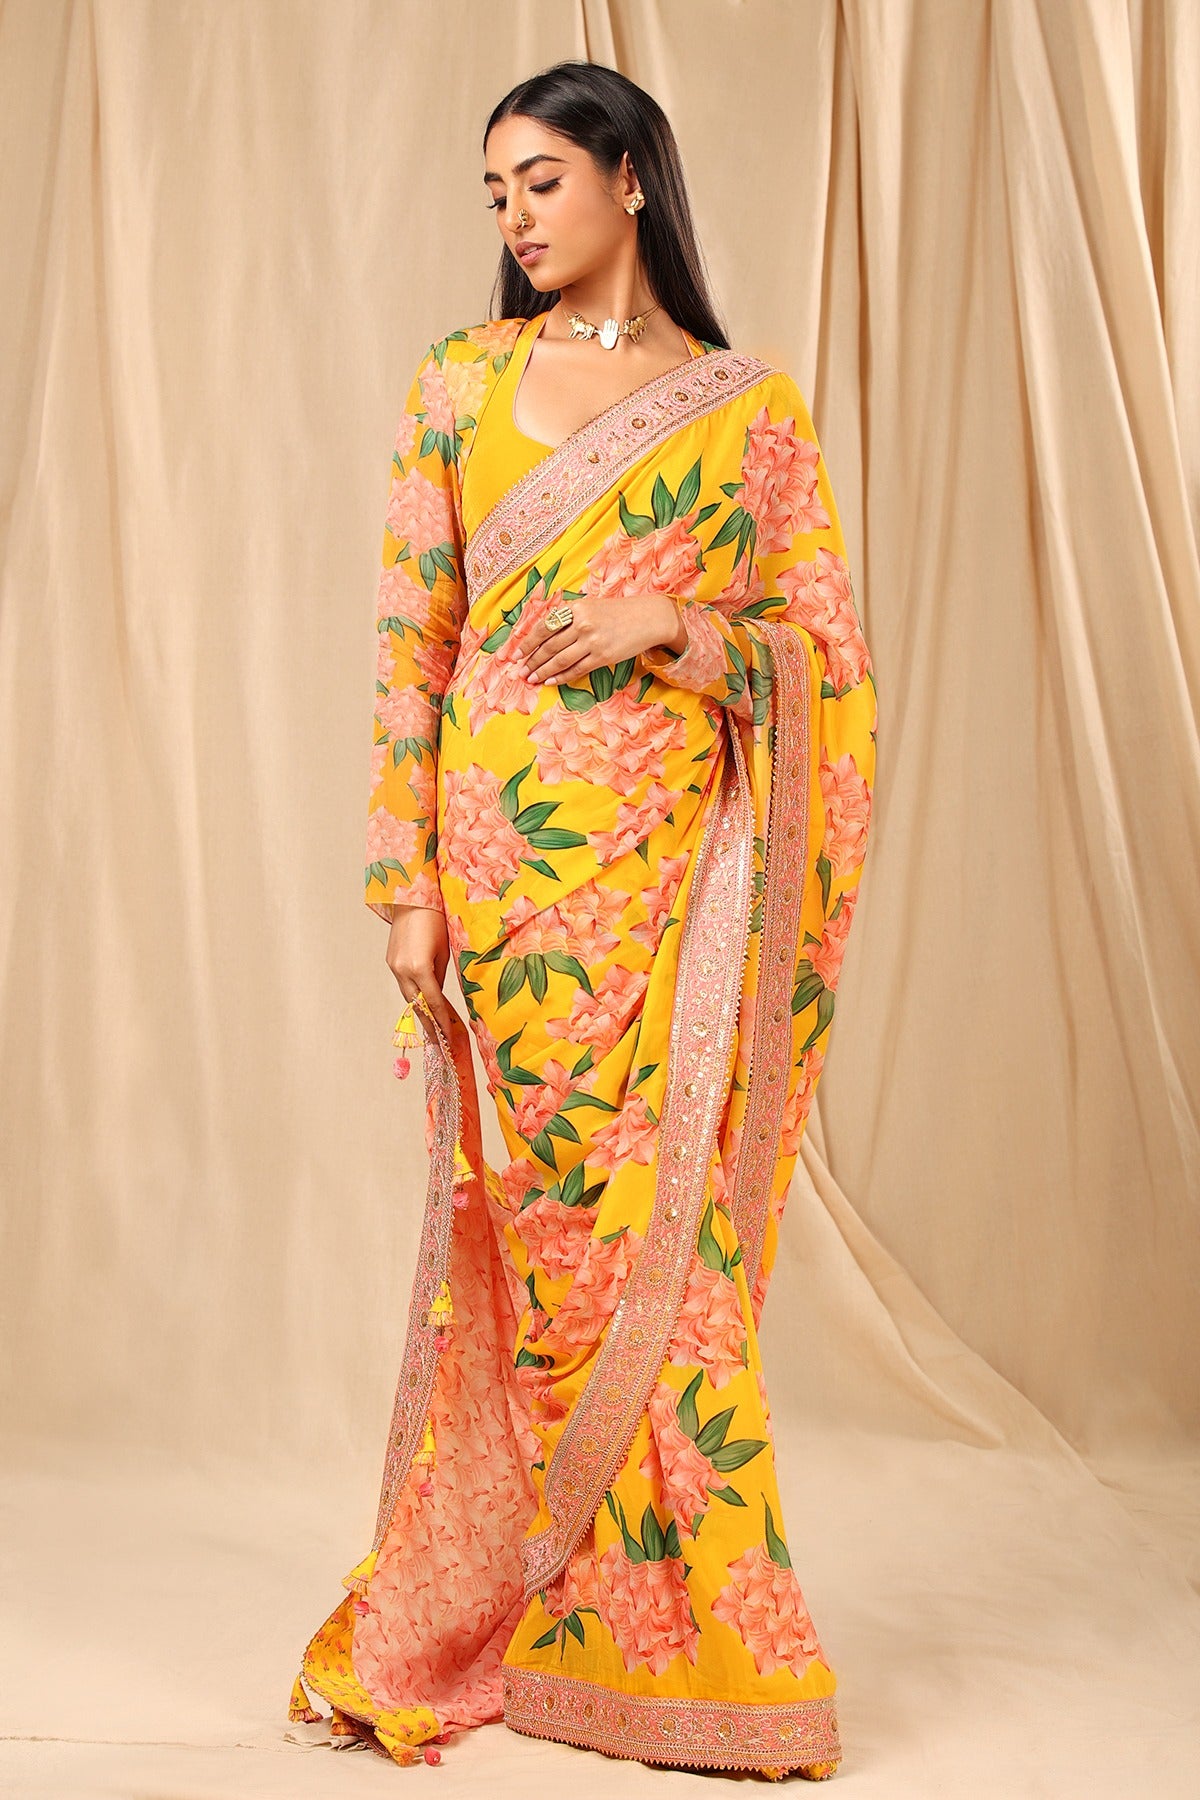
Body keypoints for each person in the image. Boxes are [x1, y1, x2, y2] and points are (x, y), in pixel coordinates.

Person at [287, 58, 877, 1782]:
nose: (516, 217)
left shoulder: (748, 414)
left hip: (675, 892)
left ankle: (709, 1650)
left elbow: (827, 663)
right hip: (507, 883)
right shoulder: (459, 381)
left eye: (540, 180)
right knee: (549, 1245)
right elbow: (411, 642)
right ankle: (541, 1615)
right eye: (497, 193)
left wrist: (671, 629)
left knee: (668, 1249)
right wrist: (407, 883)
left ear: (629, 177)